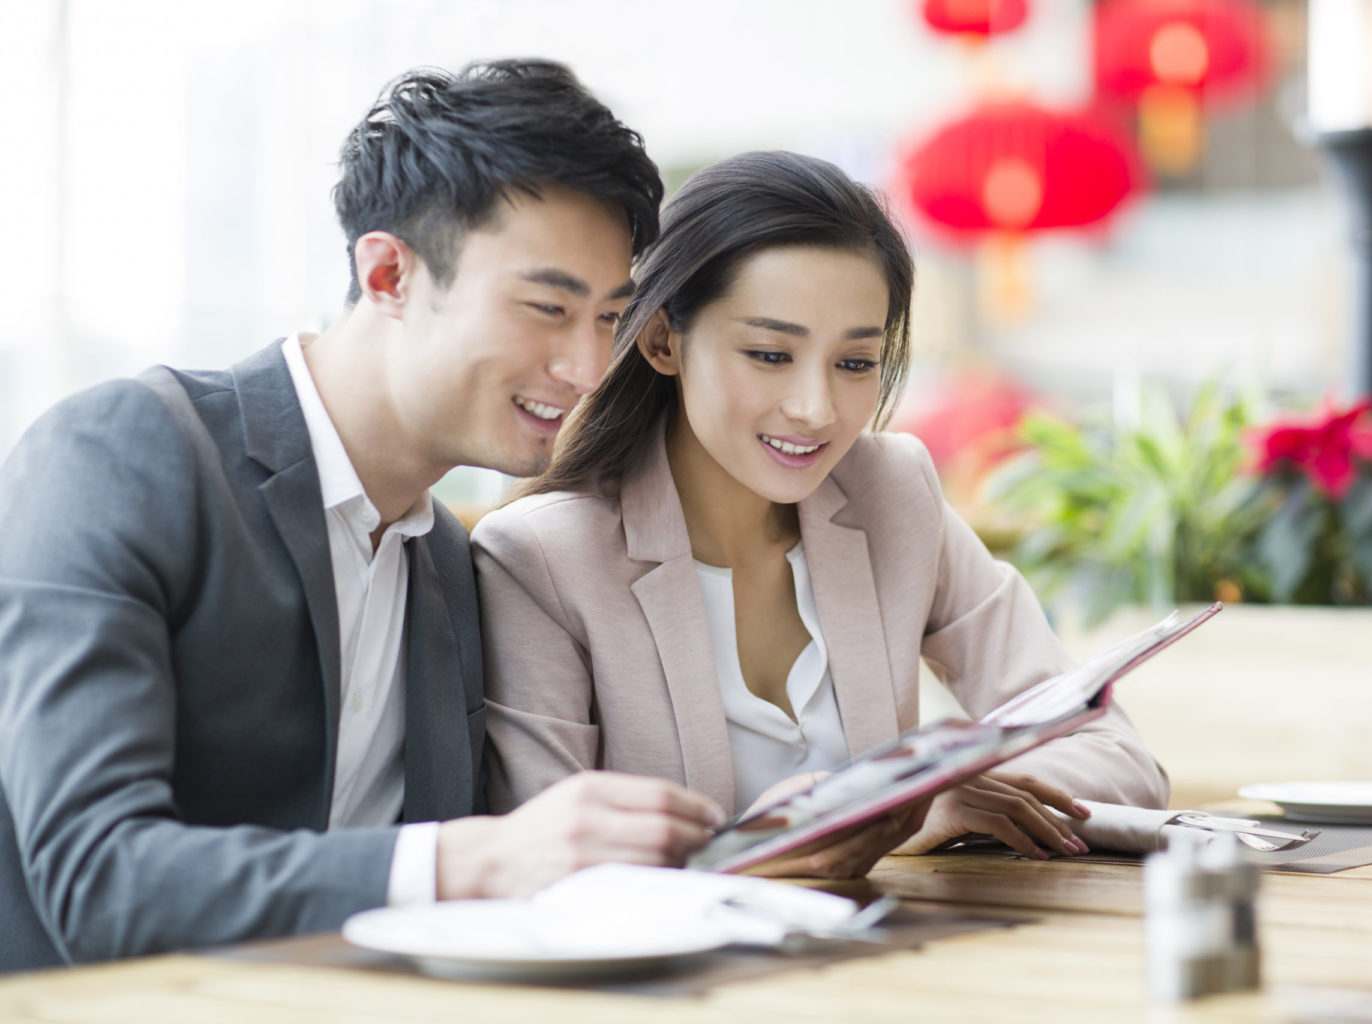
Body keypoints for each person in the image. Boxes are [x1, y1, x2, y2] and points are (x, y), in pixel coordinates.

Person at [0, 59, 724, 973]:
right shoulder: (123, 455)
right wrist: (471, 859)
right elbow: (93, 879)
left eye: (608, 319)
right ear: (388, 274)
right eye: (547, 308)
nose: (586, 369)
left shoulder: (455, 561)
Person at [472, 151, 1170, 879]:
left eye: (856, 363)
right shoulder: (542, 558)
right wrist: (853, 821)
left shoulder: (891, 493)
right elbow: (543, 866)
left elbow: (1119, 759)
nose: (817, 409)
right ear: (662, 341)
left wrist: (932, 799)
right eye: (771, 355)